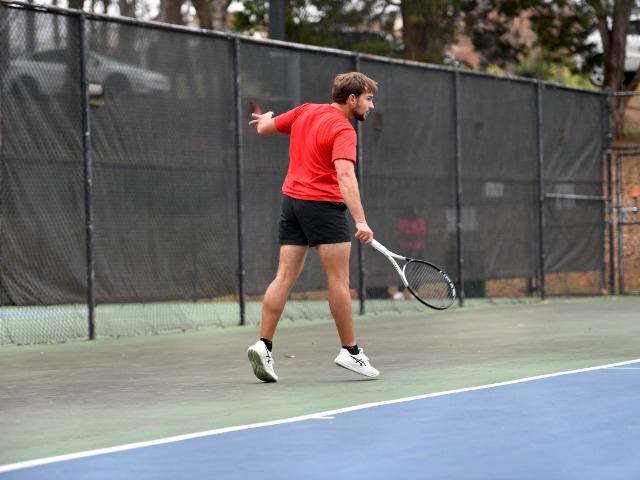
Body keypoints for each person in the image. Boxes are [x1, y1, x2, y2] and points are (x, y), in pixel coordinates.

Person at [246, 72, 380, 382]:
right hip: (323, 207)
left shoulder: (304, 110)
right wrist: (360, 220)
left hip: (291, 204)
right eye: (368, 99)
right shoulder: (344, 130)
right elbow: (345, 176)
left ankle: (263, 345)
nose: (371, 106)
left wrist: (265, 118)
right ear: (352, 99)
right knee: (338, 280)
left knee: (283, 277)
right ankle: (351, 351)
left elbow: (264, 129)